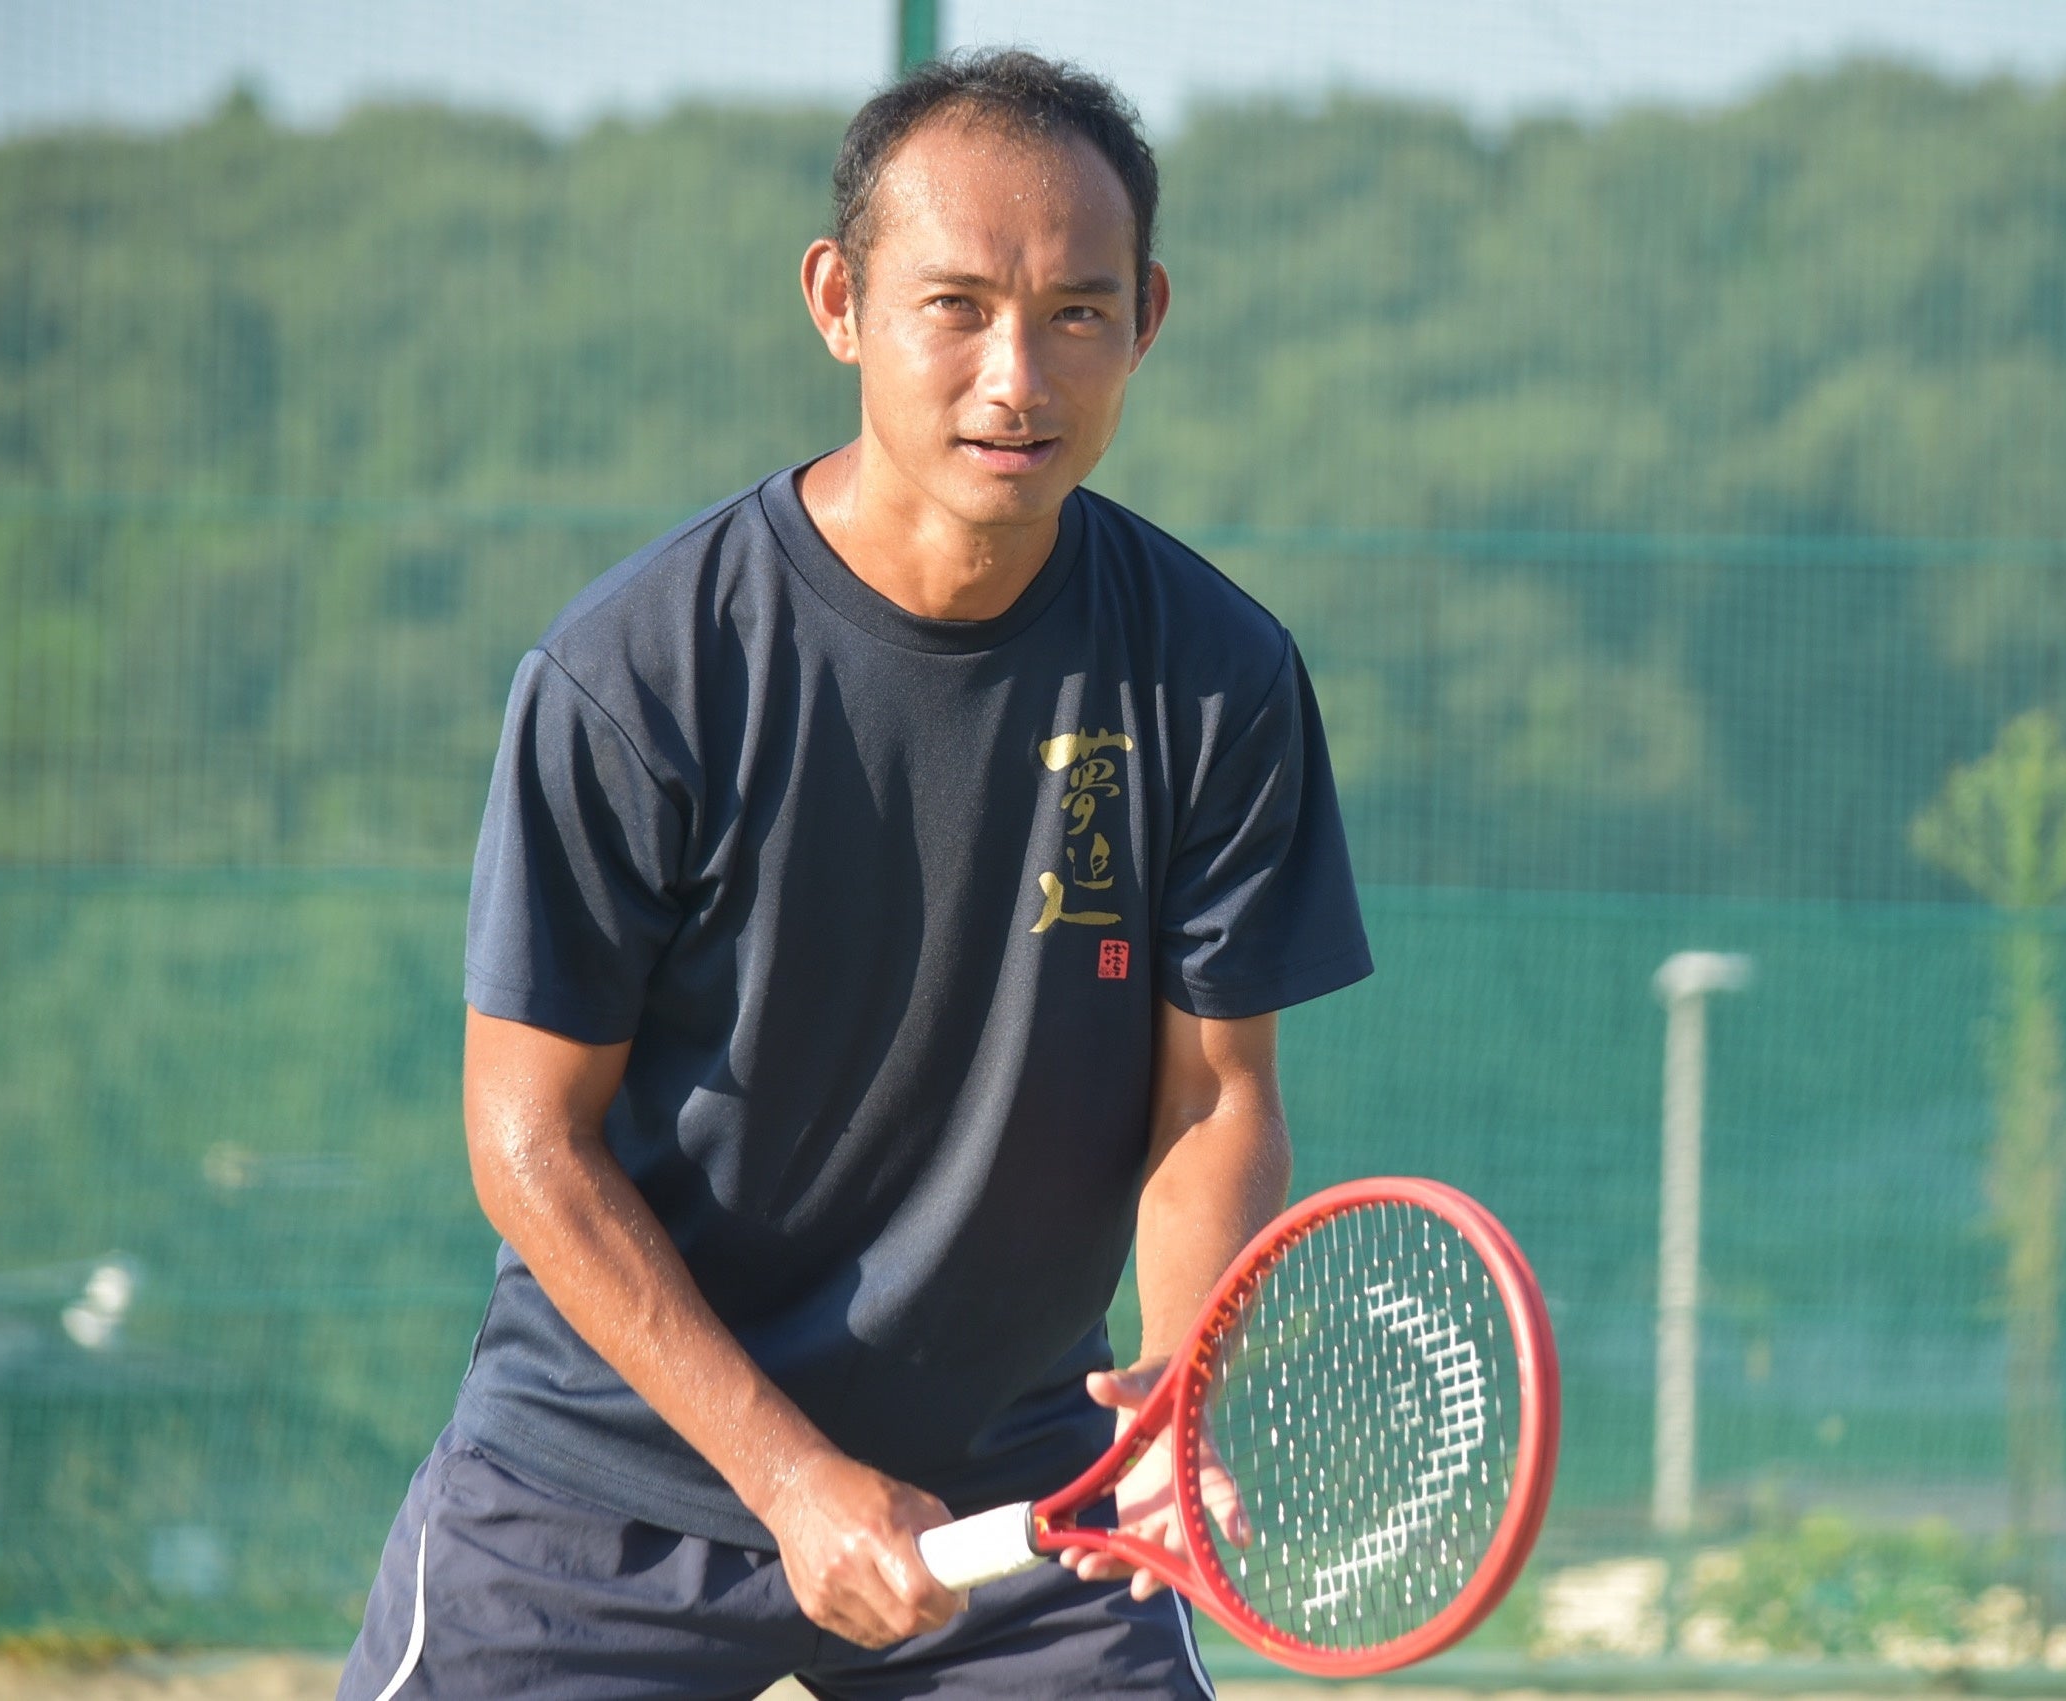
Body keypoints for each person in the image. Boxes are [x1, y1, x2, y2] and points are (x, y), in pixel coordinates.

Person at [336, 49, 1371, 1701]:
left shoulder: (1218, 676)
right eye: (955, 307)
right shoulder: (638, 672)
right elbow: (529, 1137)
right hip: (611, 1482)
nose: (1016, 377)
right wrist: (789, 1476)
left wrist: (1177, 1405)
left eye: (1078, 313)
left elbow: (1212, 1100)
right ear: (839, 301)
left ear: (1149, 321)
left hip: (1019, 1485)